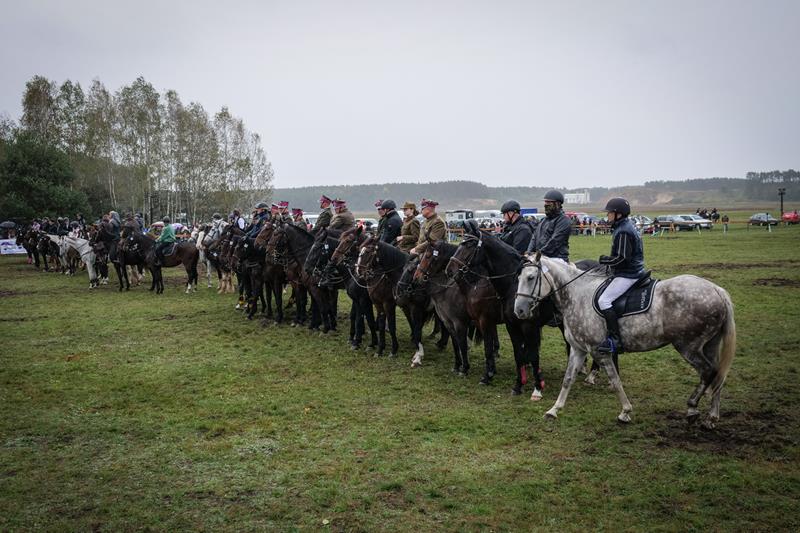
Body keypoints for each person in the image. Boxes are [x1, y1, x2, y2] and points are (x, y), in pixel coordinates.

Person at [596, 197, 646, 355]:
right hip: (631, 270)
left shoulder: (623, 231)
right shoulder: (624, 226)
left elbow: (623, 259)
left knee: (604, 301)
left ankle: (614, 340)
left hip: (629, 274)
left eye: (609, 213)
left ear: (618, 214)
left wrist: (605, 260)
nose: (607, 215)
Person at [526, 190, 571, 262]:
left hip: (557, 259)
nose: (546, 205)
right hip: (541, 258)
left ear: (557, 204)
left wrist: (539, 254)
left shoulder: (564, 221)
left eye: (549, 203)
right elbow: (534, 238)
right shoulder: (543, 220)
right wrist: (528, 253)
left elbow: (555, 241)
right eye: (545, 202)